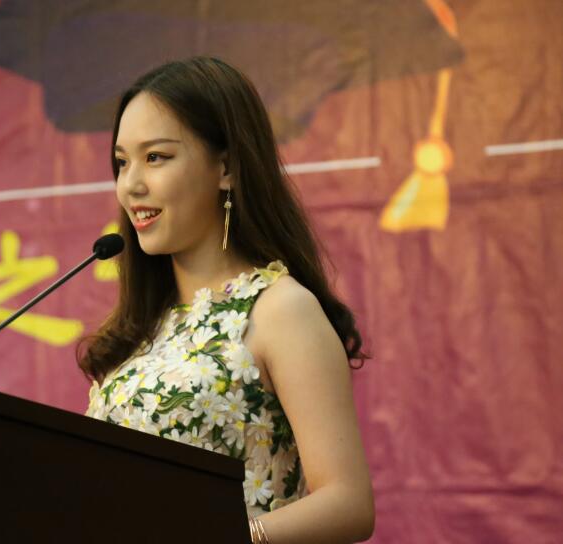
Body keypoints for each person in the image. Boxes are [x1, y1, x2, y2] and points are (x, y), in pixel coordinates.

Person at [78, 56, 374, 544]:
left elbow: (348, 503)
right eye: (122, 162)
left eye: (156, 157)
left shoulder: (281, 310)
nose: (131, 184)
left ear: (227, 167)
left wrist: (232, 536)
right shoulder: (146, 328)